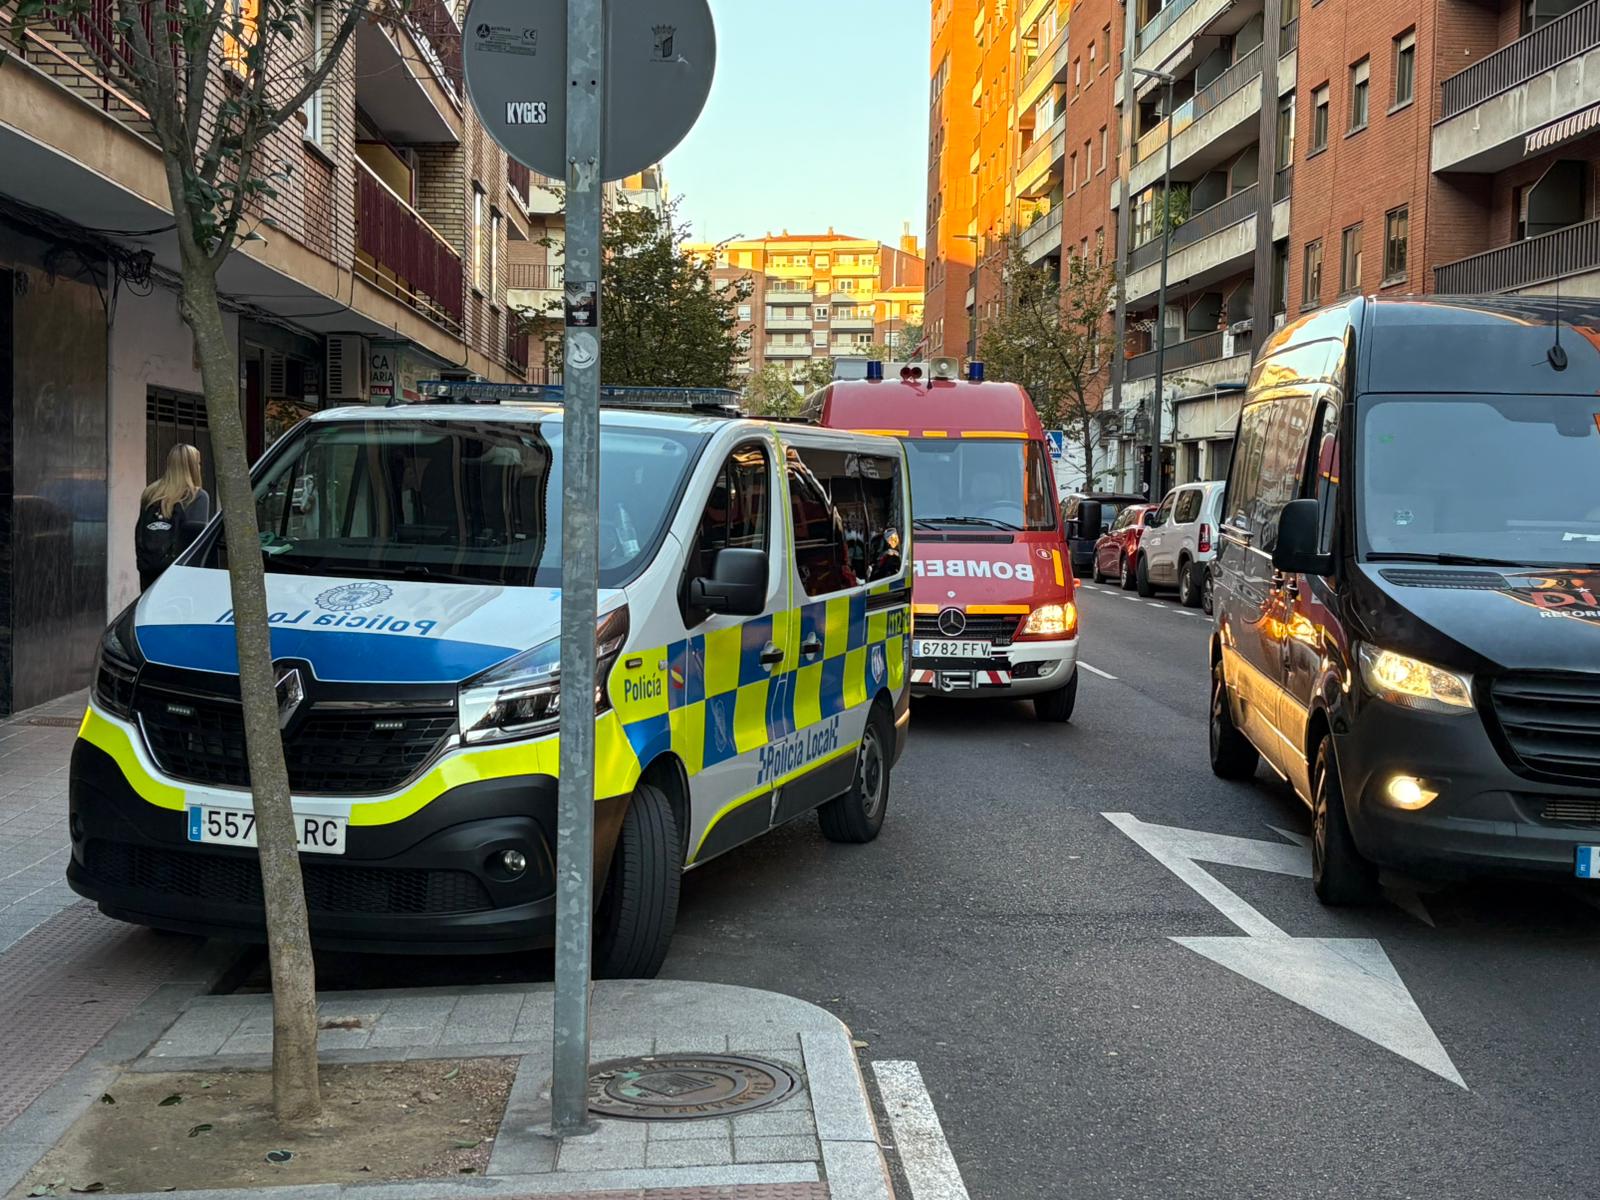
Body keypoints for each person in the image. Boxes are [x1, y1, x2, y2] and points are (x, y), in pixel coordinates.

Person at [136, 444, 210, 590]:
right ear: (193, 466)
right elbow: (198, 545)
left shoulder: (150, 493)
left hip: (149, 573)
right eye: (198, 463)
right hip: (181, 578)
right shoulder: (197, 496)